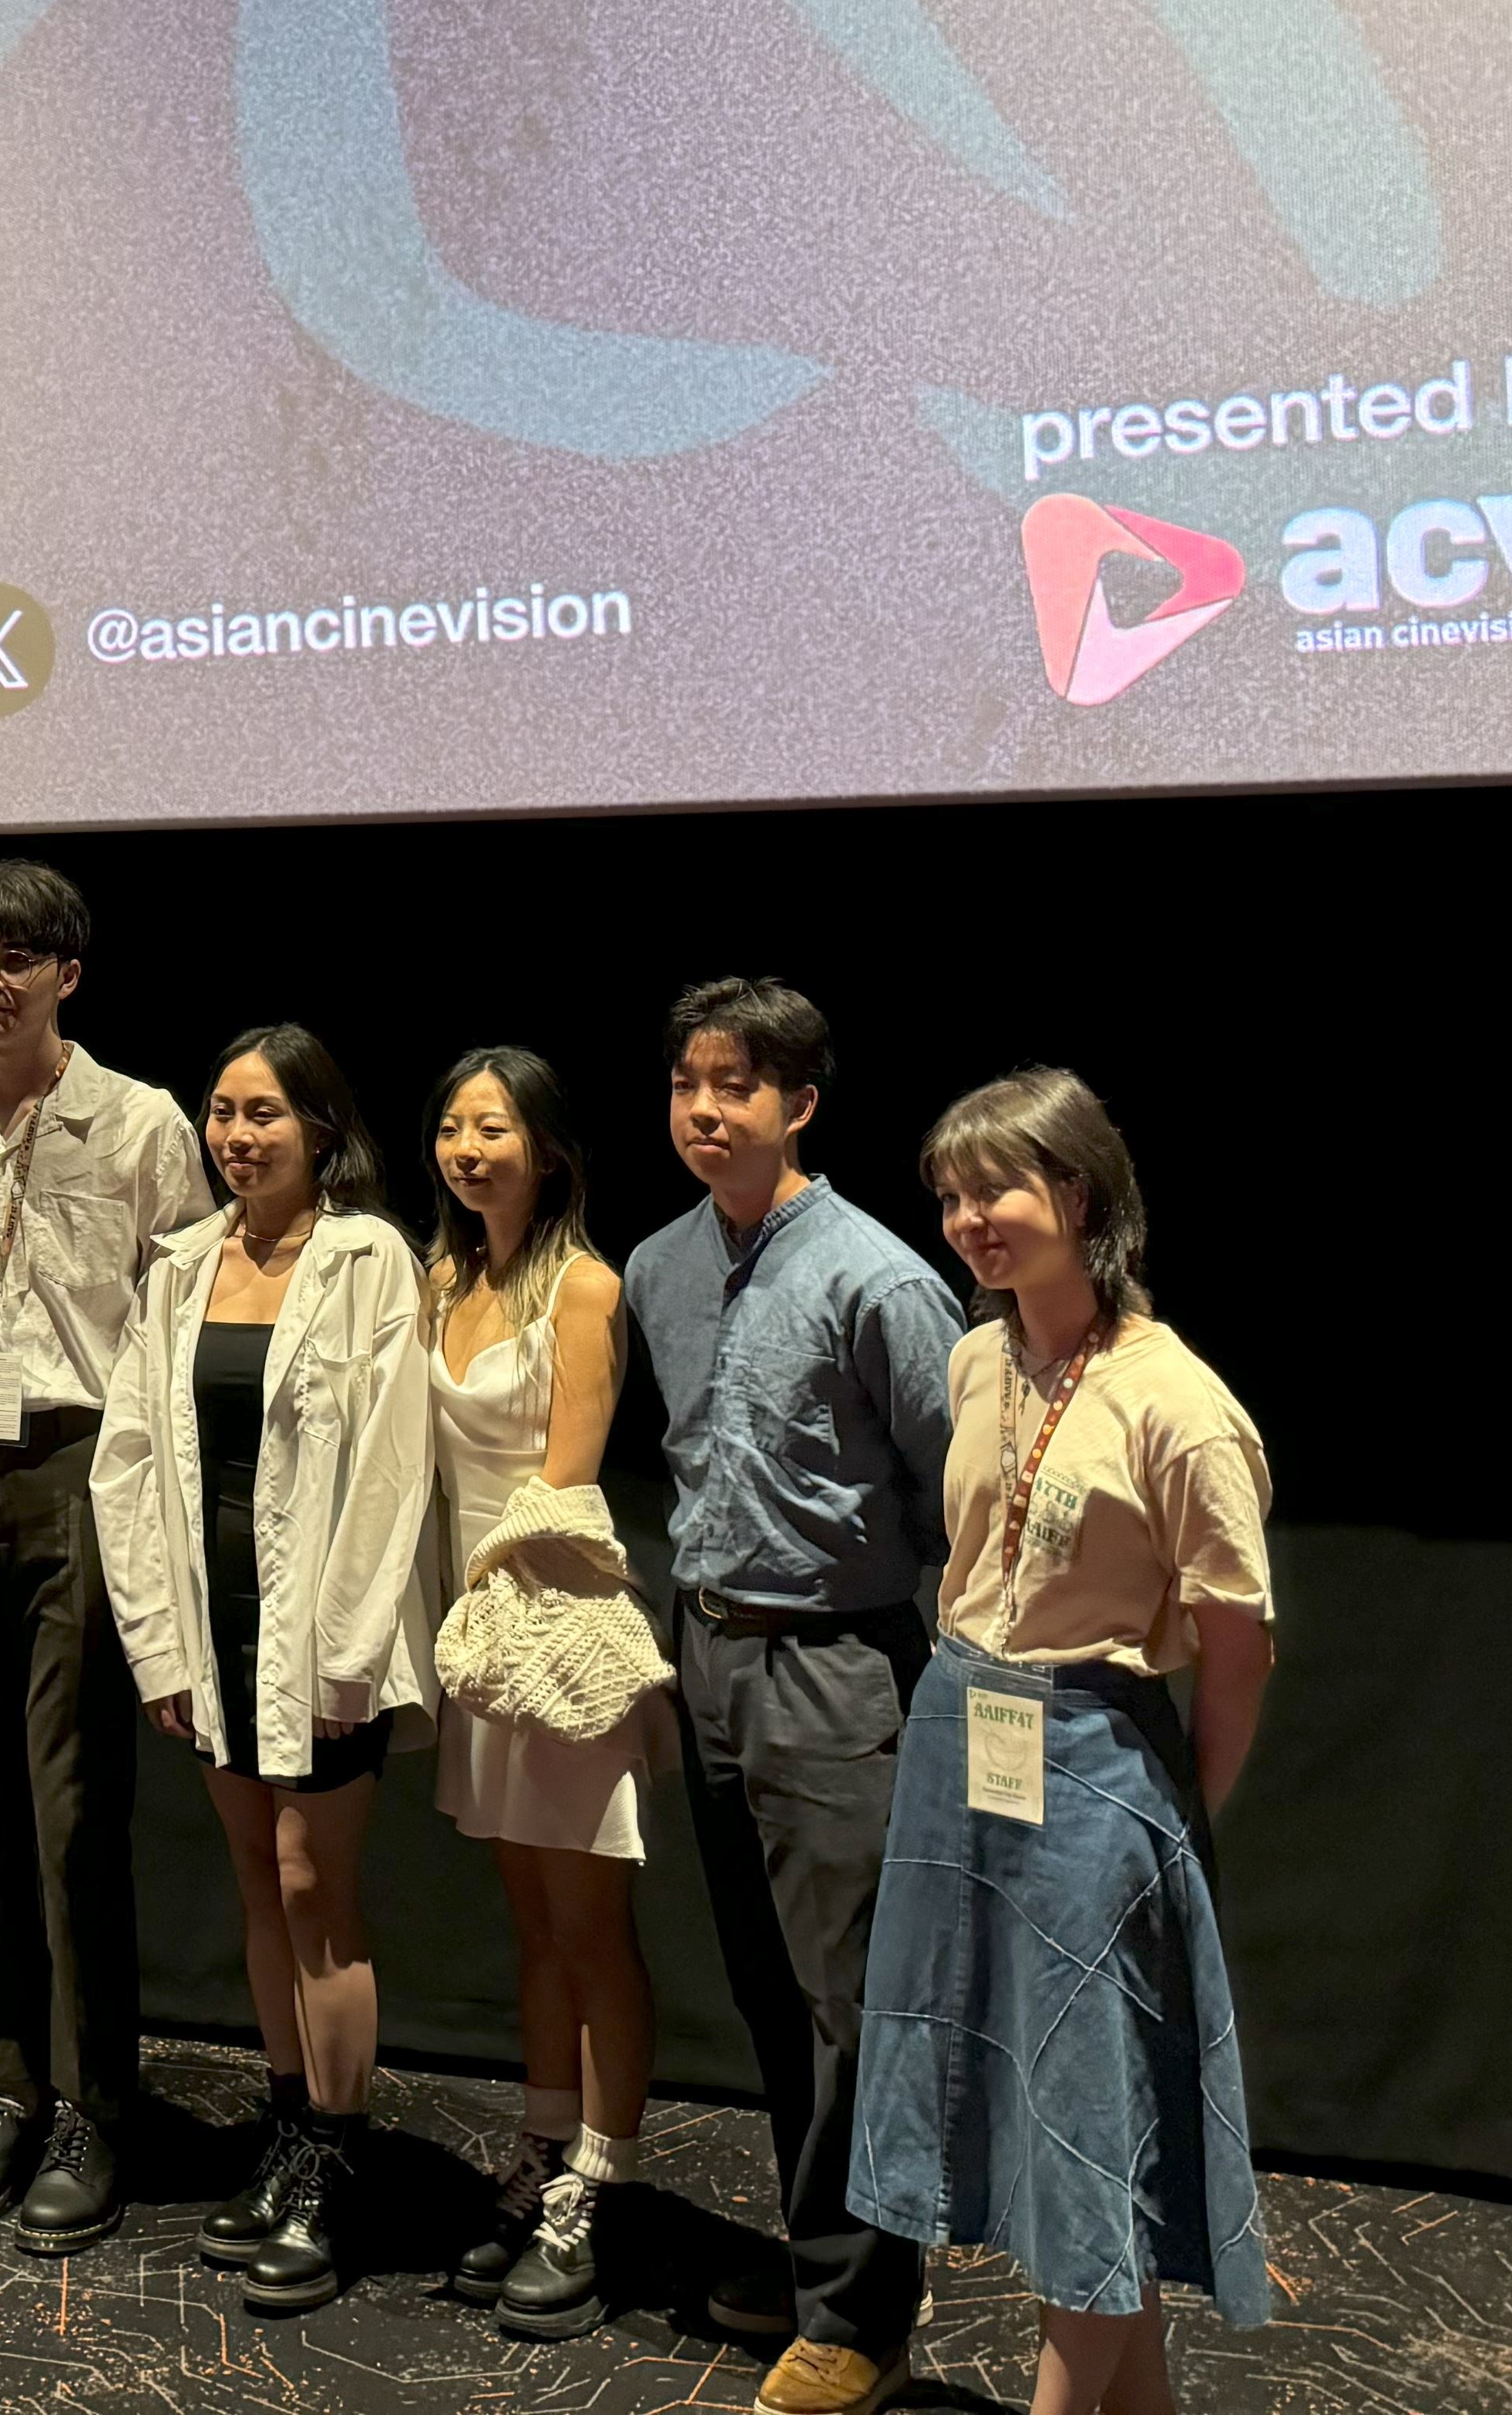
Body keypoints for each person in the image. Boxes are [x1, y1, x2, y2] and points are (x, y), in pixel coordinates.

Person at [852, 1070, 1275, 2415]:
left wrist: (1170, 1818)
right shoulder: (978, 1357)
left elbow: (1238, 1643)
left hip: (1095, 1769)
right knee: (1034, 2128)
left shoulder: (1179, 1403)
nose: (970, 1219)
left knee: (1085, 2135)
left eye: (1000, 1191)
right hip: (960, 1744)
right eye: (954, 1196)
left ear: (1079, 1196)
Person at [624, 980, 966, 2415]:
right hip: (709, 1654)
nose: (709, 1111)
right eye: (691, 1084)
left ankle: (865, 2319)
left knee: (851, 2010)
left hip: (839, 1666)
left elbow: (970, 1488)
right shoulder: (656, 1265)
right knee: (770, 1993)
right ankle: (819, 2259)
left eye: (740, 1088)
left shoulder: (879, 1277)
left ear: (801, 1105)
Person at [0, 859, 213, 2252]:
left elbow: (183, 1319)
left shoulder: (140, 1124)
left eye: (18, 955)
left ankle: (91, 2106)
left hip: (78, 1461)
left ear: (70, 973)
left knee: (70, 1809)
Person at [92, 1026, 434, 2316]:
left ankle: (339, 2160)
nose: (238, 1137)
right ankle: (285, 2138)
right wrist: (159, 1643)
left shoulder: (369, 1261)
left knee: (313, 1883)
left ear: (322, 1130)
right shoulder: (183, 1264)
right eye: (222, 1114)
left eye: (265, 1116)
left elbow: (396, 1463)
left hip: (318, 1630)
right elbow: (130, 1460)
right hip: (212, 1623)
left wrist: (351, 1648)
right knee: (254, 1876)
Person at [417, 1047, 666, 2341]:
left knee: (590, 1928)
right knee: (531, 1923)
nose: (468, 1150)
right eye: (454, 1128)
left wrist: (481, 1607)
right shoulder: (441, 1276)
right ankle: (542, 2145)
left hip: (551, 1638)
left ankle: (602, 2182)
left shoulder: (584, 1287)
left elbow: (564, 1484)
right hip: (472, 1651)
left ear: (549, 1149)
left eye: (494, 1129)